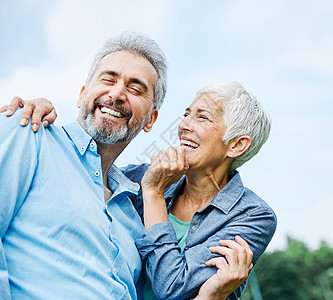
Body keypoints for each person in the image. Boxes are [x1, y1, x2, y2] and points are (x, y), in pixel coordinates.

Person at [0, 32, 253, 300]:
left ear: (150, 120)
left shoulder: (134, 210)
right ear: (82, 95)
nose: (117, 93)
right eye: (108, 78)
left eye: (135, 88)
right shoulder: (28, 131)